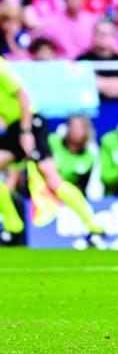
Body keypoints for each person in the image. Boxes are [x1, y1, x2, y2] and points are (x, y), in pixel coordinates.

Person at [0, 57, 103, 242]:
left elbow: (24, 97)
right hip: (13, 128)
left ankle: (94, 226)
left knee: (51, 177)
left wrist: (25, 131)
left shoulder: (1, 67)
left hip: (29, 123)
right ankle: (12, 227)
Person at [48, 113, 97, 193]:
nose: (76, 131)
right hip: (44, 191)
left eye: (81, 128)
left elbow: (81, 186)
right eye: (74, 127)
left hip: (68, 195)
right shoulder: (52, 141)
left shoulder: (89, 157)